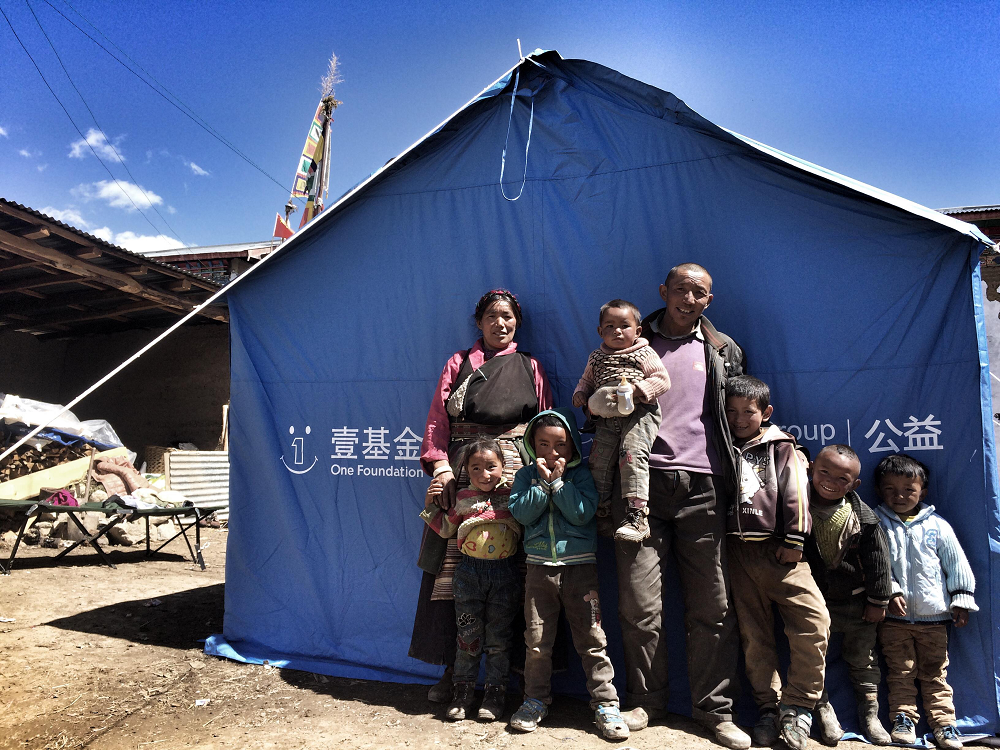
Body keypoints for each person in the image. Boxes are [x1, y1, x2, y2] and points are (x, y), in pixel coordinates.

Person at [615, 263, 750, 749]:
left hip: (705, 488)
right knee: (639, 605)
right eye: (680, 290)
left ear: (709, 301)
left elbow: (742, 415)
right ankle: (645, 702)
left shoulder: (723, 348)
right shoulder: (631, 341)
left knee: (713, 606)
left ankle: (716, 711)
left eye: (699, 293)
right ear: (663, 292)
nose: (688, 299)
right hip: (639, 488)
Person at [411, 289, 552, 704]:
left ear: (517, 323)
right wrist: (441, 469)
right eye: (492, 316)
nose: (500, 323)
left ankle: (518, 675)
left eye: (507, 316)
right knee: (452, 569)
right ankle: (454, 670)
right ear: (479, 322)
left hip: (516, 474)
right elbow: (437, 421)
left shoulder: (530, 366)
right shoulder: (459, 363)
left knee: (520, 567)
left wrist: (540, 475)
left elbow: (545, 424)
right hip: (462, 472)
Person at [507, 409, 630, 741]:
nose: (552, 452)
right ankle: (534, 700)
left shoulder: (582, 477)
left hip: (580, 570)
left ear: (573, 445)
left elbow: (582, 514)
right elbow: (522, 513)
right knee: (537, 642)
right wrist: (542, 484)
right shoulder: (525, 476)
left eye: (560, 445)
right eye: (543, 444)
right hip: (538, 570)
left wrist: (559, 484)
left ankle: (606, 704)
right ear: (532, 445)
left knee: (592, 639)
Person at [723, 375, 830, 750]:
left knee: (814, 622)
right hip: (736, 553)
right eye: (731, 411)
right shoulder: (718, 444)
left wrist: (795, 539)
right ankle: (768, 709)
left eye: (747, 412)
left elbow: (797, 490)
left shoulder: (781, 446)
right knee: (754, 637)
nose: (739, 419)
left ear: (765, 412)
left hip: (780, 551)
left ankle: (799, 706)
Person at [874, 454, 977, 750]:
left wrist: (961, 599)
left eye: (909, 489)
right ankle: (903, 719)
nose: (900, 495)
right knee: (900, 673)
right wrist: (891, 592)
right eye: (890, 489)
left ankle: (944, 724)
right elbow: (876, 564)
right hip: (894, 620)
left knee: (935, 674)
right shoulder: (876, 523)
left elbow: (956, 563)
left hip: (934, 620)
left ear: (923, 492)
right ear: (879, 491)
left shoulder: (938, 525)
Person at [421, 438, 521, 721]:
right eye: (475, 468)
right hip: (469, 576)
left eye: (491, 467)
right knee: (468, 636)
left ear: (503, 466)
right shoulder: (463, 498)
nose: (484, 474)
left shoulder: (514, 496)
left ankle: (494, 695)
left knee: (499, 639)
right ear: (465, 470)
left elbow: (529, 518)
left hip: (505, 576)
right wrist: (429, 504)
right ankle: (462, 694)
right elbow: (444, 529)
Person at [803, 445, 893, 745]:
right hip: (813, 604)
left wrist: (878, 601)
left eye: (842, 479)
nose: (831, 481)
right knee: (811, 659)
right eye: (824, 472)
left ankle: (870, 714)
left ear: (855, 484)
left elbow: (879, 562)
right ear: (811, 469)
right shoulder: (796, 508)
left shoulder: (865, 519)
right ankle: (823, 710)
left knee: (863, 660)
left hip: (857, 604)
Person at [572, 299, 670, 542]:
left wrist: (637, 390)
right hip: (607, 419)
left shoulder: (644, 352)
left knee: (632, 455)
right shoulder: (596, 357)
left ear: (638, 331)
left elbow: (662, 379)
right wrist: (581, 394)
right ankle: (602, 513)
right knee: (598, 461)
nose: (617, 331)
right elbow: (586, 380)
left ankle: (637, 515)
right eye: (610, 326)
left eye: (624, 326)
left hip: (640, 414)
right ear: (600, 331)